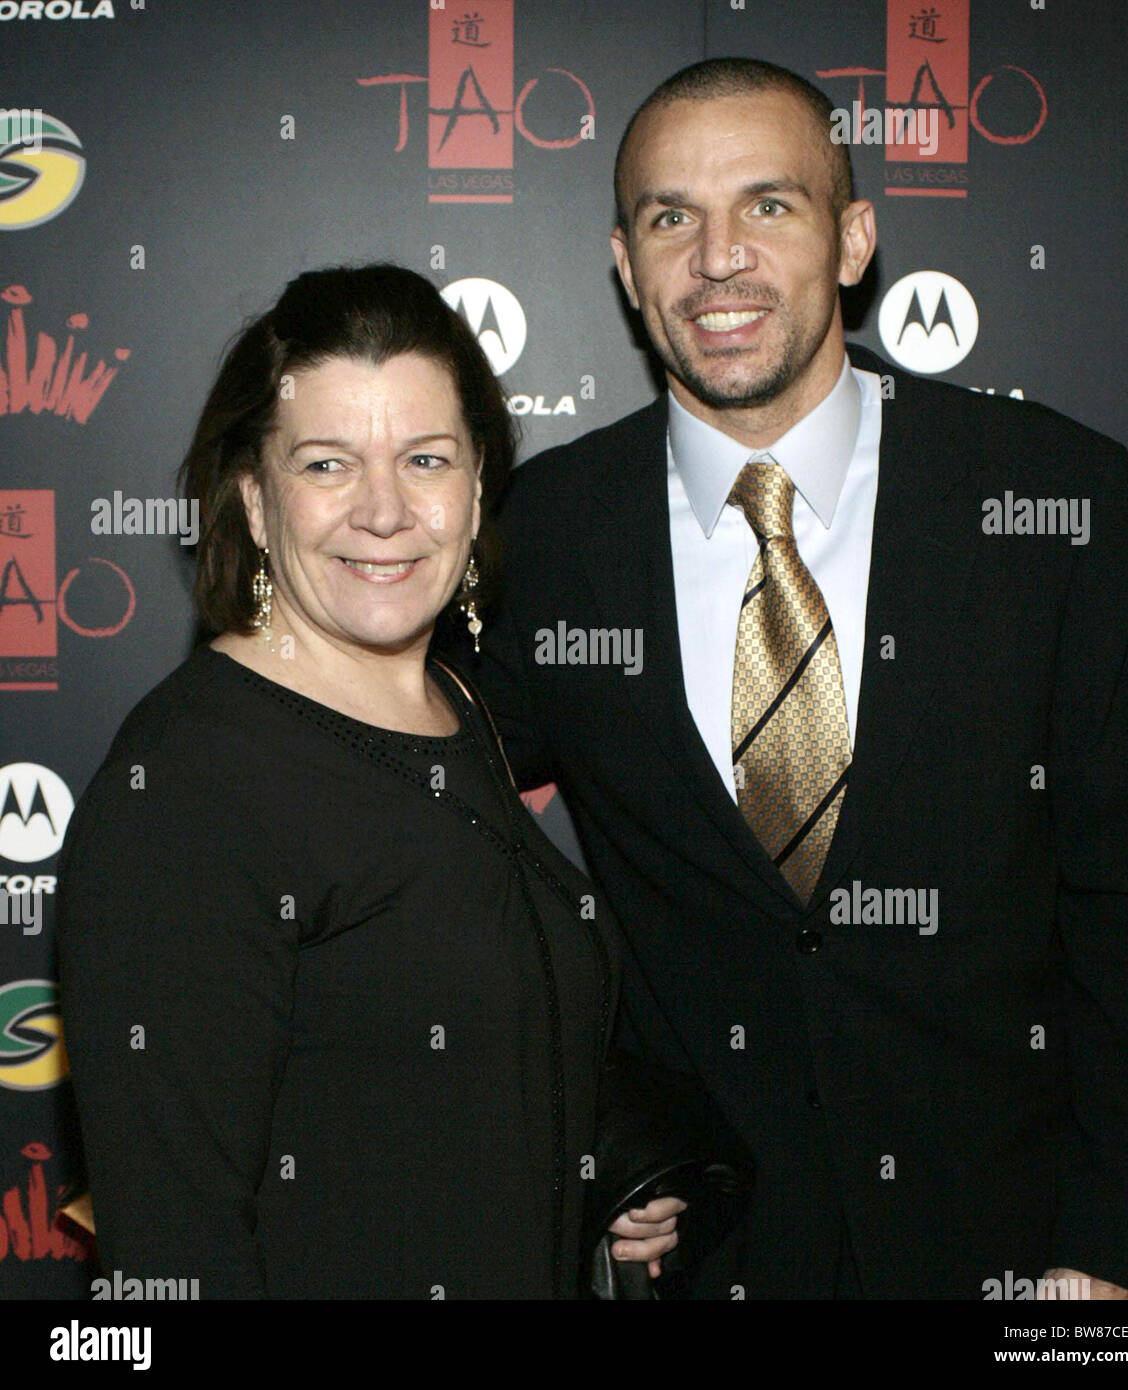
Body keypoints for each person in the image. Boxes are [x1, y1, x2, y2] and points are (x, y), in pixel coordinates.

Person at [449, 59, 1128, 1299]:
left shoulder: (1053, 497)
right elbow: (441, 851)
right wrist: (598, 1132)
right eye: (673, 217)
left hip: (1023, 1252)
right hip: (718, 1253)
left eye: (769, 205)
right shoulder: (543, 533)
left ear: (853, 241)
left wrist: (1114, 1248)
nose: (717, 257)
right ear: (626, 264)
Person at [55, 264, 683, 1299]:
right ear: (256, 502)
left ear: (478, 485)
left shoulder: (459, 709)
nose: (384, 511)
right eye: (328, 464)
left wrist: (597, 1173)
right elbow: (175, 1251)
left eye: (425, 458)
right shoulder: (188, 787)